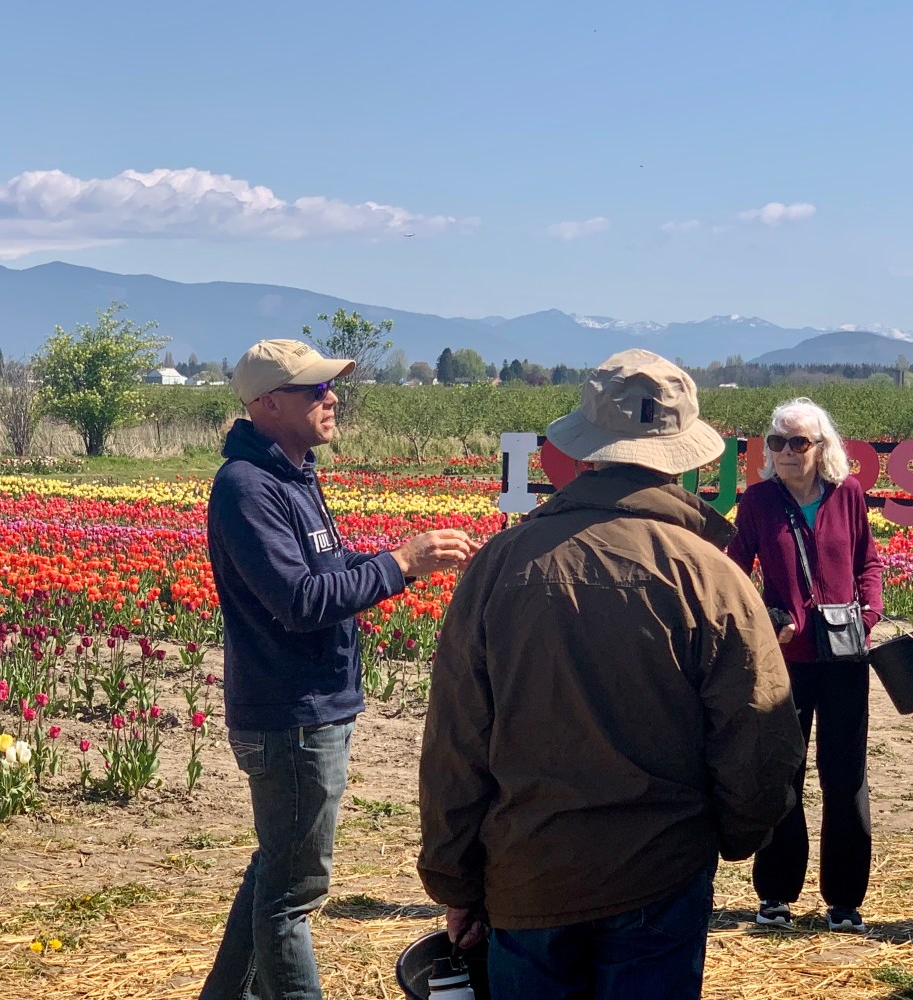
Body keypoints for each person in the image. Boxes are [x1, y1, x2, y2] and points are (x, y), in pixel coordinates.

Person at [417, 349, 806, 1000]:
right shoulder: (711, 578)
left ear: (585, 449)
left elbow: (455, 742)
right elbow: (760, 740)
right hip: (661, 876)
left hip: (526, 876)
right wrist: (735, 837)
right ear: (685, 455)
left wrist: (454, 880)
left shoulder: (499, 566)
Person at [200, 339, 478, 1000]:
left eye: (331, 387)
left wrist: (396, 557)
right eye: (314, 390)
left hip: (310, 707)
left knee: (278, 870)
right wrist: (400, 564)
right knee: (292, 895)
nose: (331, 398)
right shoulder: (246, 487)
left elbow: (326, 568)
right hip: (290, 716)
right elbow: (299, 602)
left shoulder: (291, 473)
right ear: (268, 403)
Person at [726, 397, 885, 934]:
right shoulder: (758, 502)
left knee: (845, 777)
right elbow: (733, 575)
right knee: (782, 774)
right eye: (777, 442)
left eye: (798, 442)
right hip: (783, 661)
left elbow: (868, 560)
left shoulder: (849, 496)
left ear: (822, 448)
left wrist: (869, 612)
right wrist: (771, 616)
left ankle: (844, 899)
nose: (787, 452)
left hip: (843, 657)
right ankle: (776, 894)